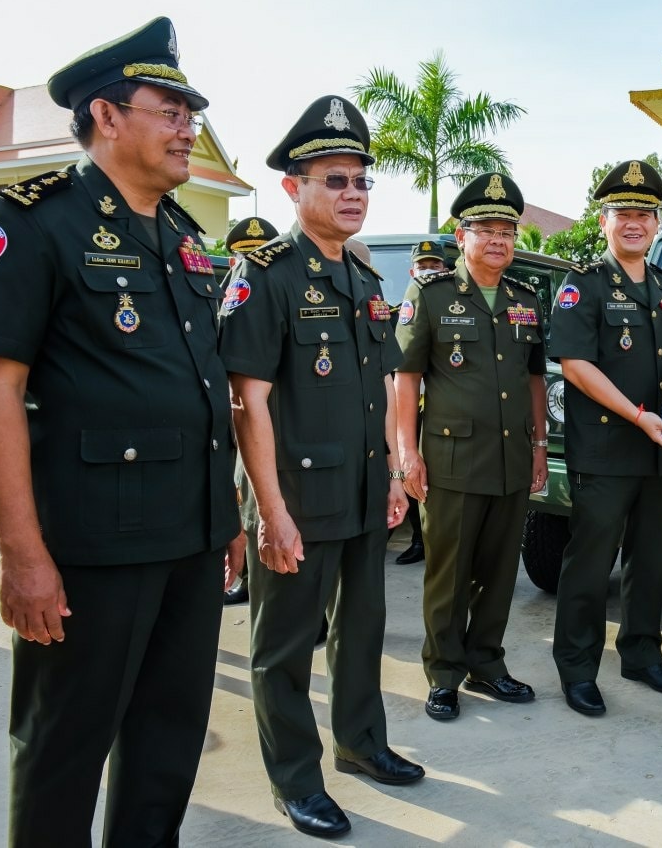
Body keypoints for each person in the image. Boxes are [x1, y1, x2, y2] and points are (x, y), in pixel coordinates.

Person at [0, 17, 245, 846]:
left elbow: (201, 389)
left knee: (167, 746)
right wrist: (22, 555)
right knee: (63, 749)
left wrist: (226, 517)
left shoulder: (185, 237)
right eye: (169, 110)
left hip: (191, 538)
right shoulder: (33, 221)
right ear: (105, 114)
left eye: (191, 113)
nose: (188, 127)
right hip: (92, 549)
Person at [218, 95, 423, 840]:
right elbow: (247, 404)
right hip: (295, 500)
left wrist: (395, 476)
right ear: (292, 188)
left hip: (363, 493)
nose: (352, 193)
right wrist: (269, 511)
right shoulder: (265, 274)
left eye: (361, 181)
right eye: (334, 180)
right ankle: (296, 780)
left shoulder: (366, 281)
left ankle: (361, 744)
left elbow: (384, 389)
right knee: (282, 650)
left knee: (362, 632)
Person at [394, 173, 546, 721]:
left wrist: (539, 445)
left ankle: (487, 662)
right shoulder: (431, 294)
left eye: (507, 231)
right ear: (462, 236)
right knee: (449, 575)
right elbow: (406, 378)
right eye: (486, 230)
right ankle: (443, 674)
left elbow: (534, 378)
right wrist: (406, 453)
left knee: (501, 572)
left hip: (512, 459)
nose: (498, 240)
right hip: (451, 461)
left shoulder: (525, 300)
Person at [547, 159, 662, 716]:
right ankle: (577, 669)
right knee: (590, 565)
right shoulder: (583, 284)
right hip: (607, 448)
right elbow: (576, 365)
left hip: (660, 449)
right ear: (603, 221)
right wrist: (637, 416)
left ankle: (641, 654)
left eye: (645, 214)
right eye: (623, 213)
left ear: (657, 223)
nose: (635, 223)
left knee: (649, 560)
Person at [225, 216, 279, 607]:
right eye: (245, 257)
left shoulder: (280, 293)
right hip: (231, 427)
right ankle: (246, 579)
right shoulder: (224, 298)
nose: (252, 263)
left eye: (261, 255)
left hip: (271, 427)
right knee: (244, 509)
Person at [391, 241, 448, 567]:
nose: (429, 271)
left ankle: (427, 538)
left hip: (437, 408)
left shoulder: (454, 309)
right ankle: (417, 537)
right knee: (407, 468)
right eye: (423, 266)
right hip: (406, 407)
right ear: (412, 272)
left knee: (434, 475)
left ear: (444, 269)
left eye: (435, 266)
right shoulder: (397, 314)